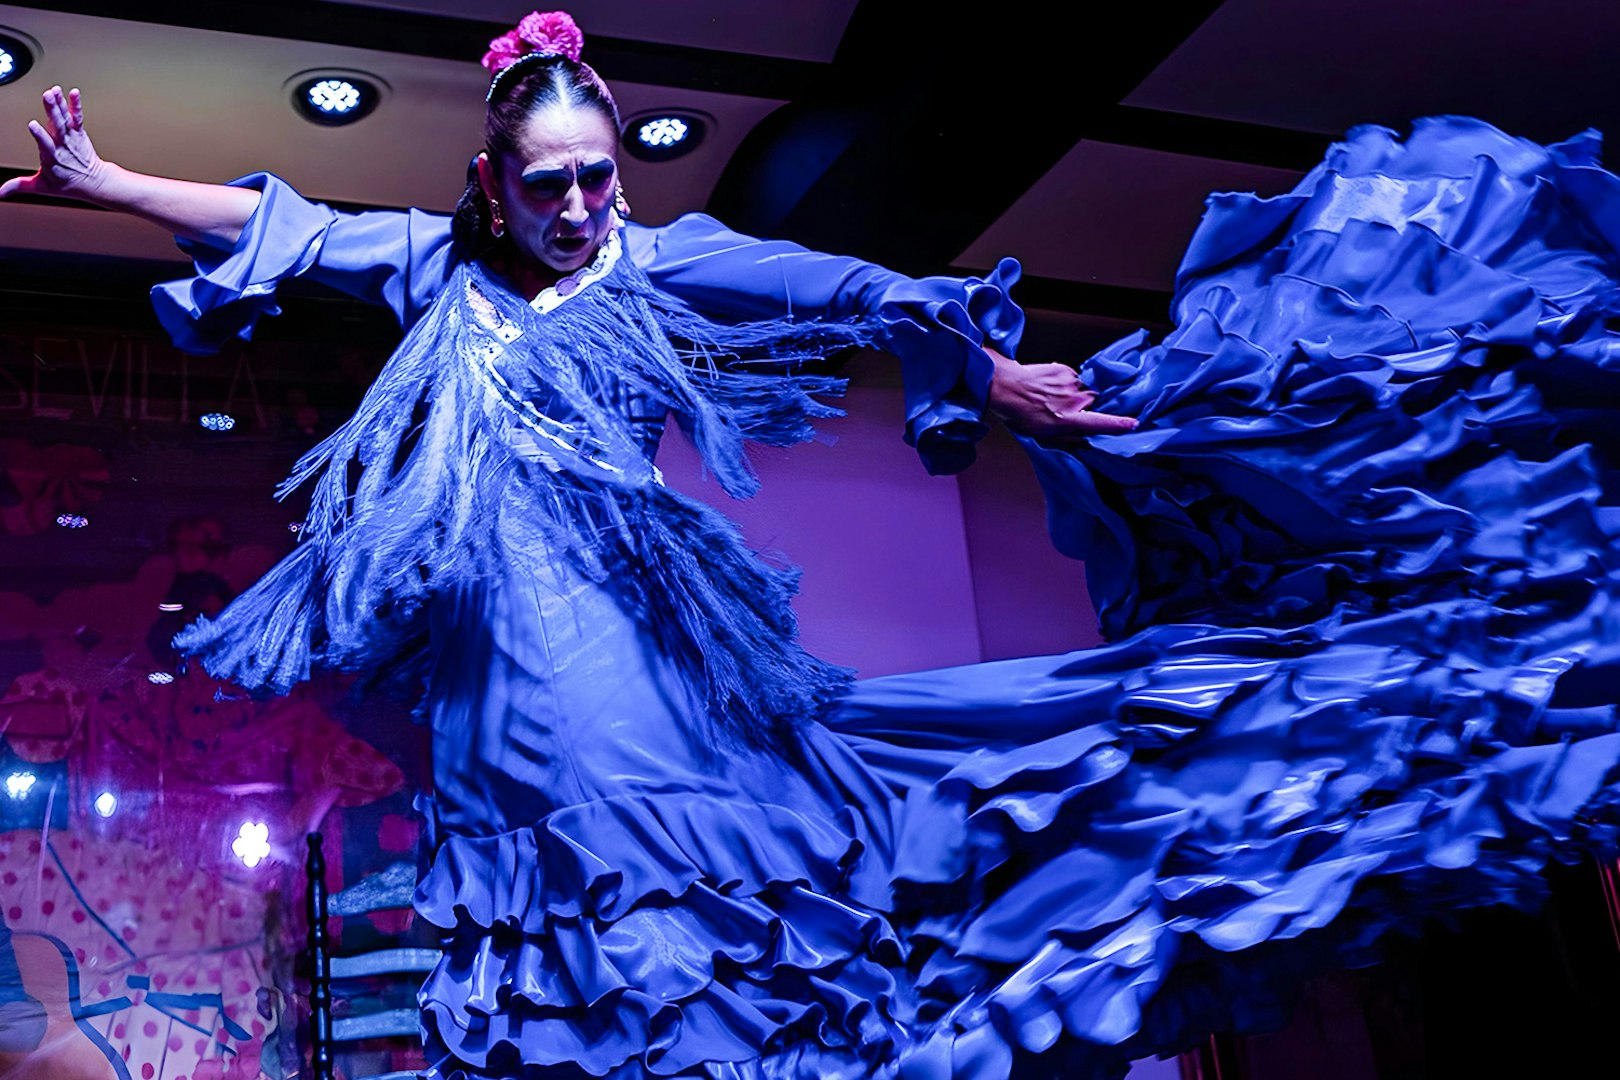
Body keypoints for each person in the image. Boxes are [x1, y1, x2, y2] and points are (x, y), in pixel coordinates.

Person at [8, 10, 1620, 1080]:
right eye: (549, 186)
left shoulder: (660, 259)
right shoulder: (442, 272)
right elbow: (279, 227)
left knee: (692, 946)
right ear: (493, 181)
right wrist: (102, 176)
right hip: (491, 699)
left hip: (624, 666)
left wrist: (1000, 384)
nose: (580, 210)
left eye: (595, 179)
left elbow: (848, 292)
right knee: (546, 972)